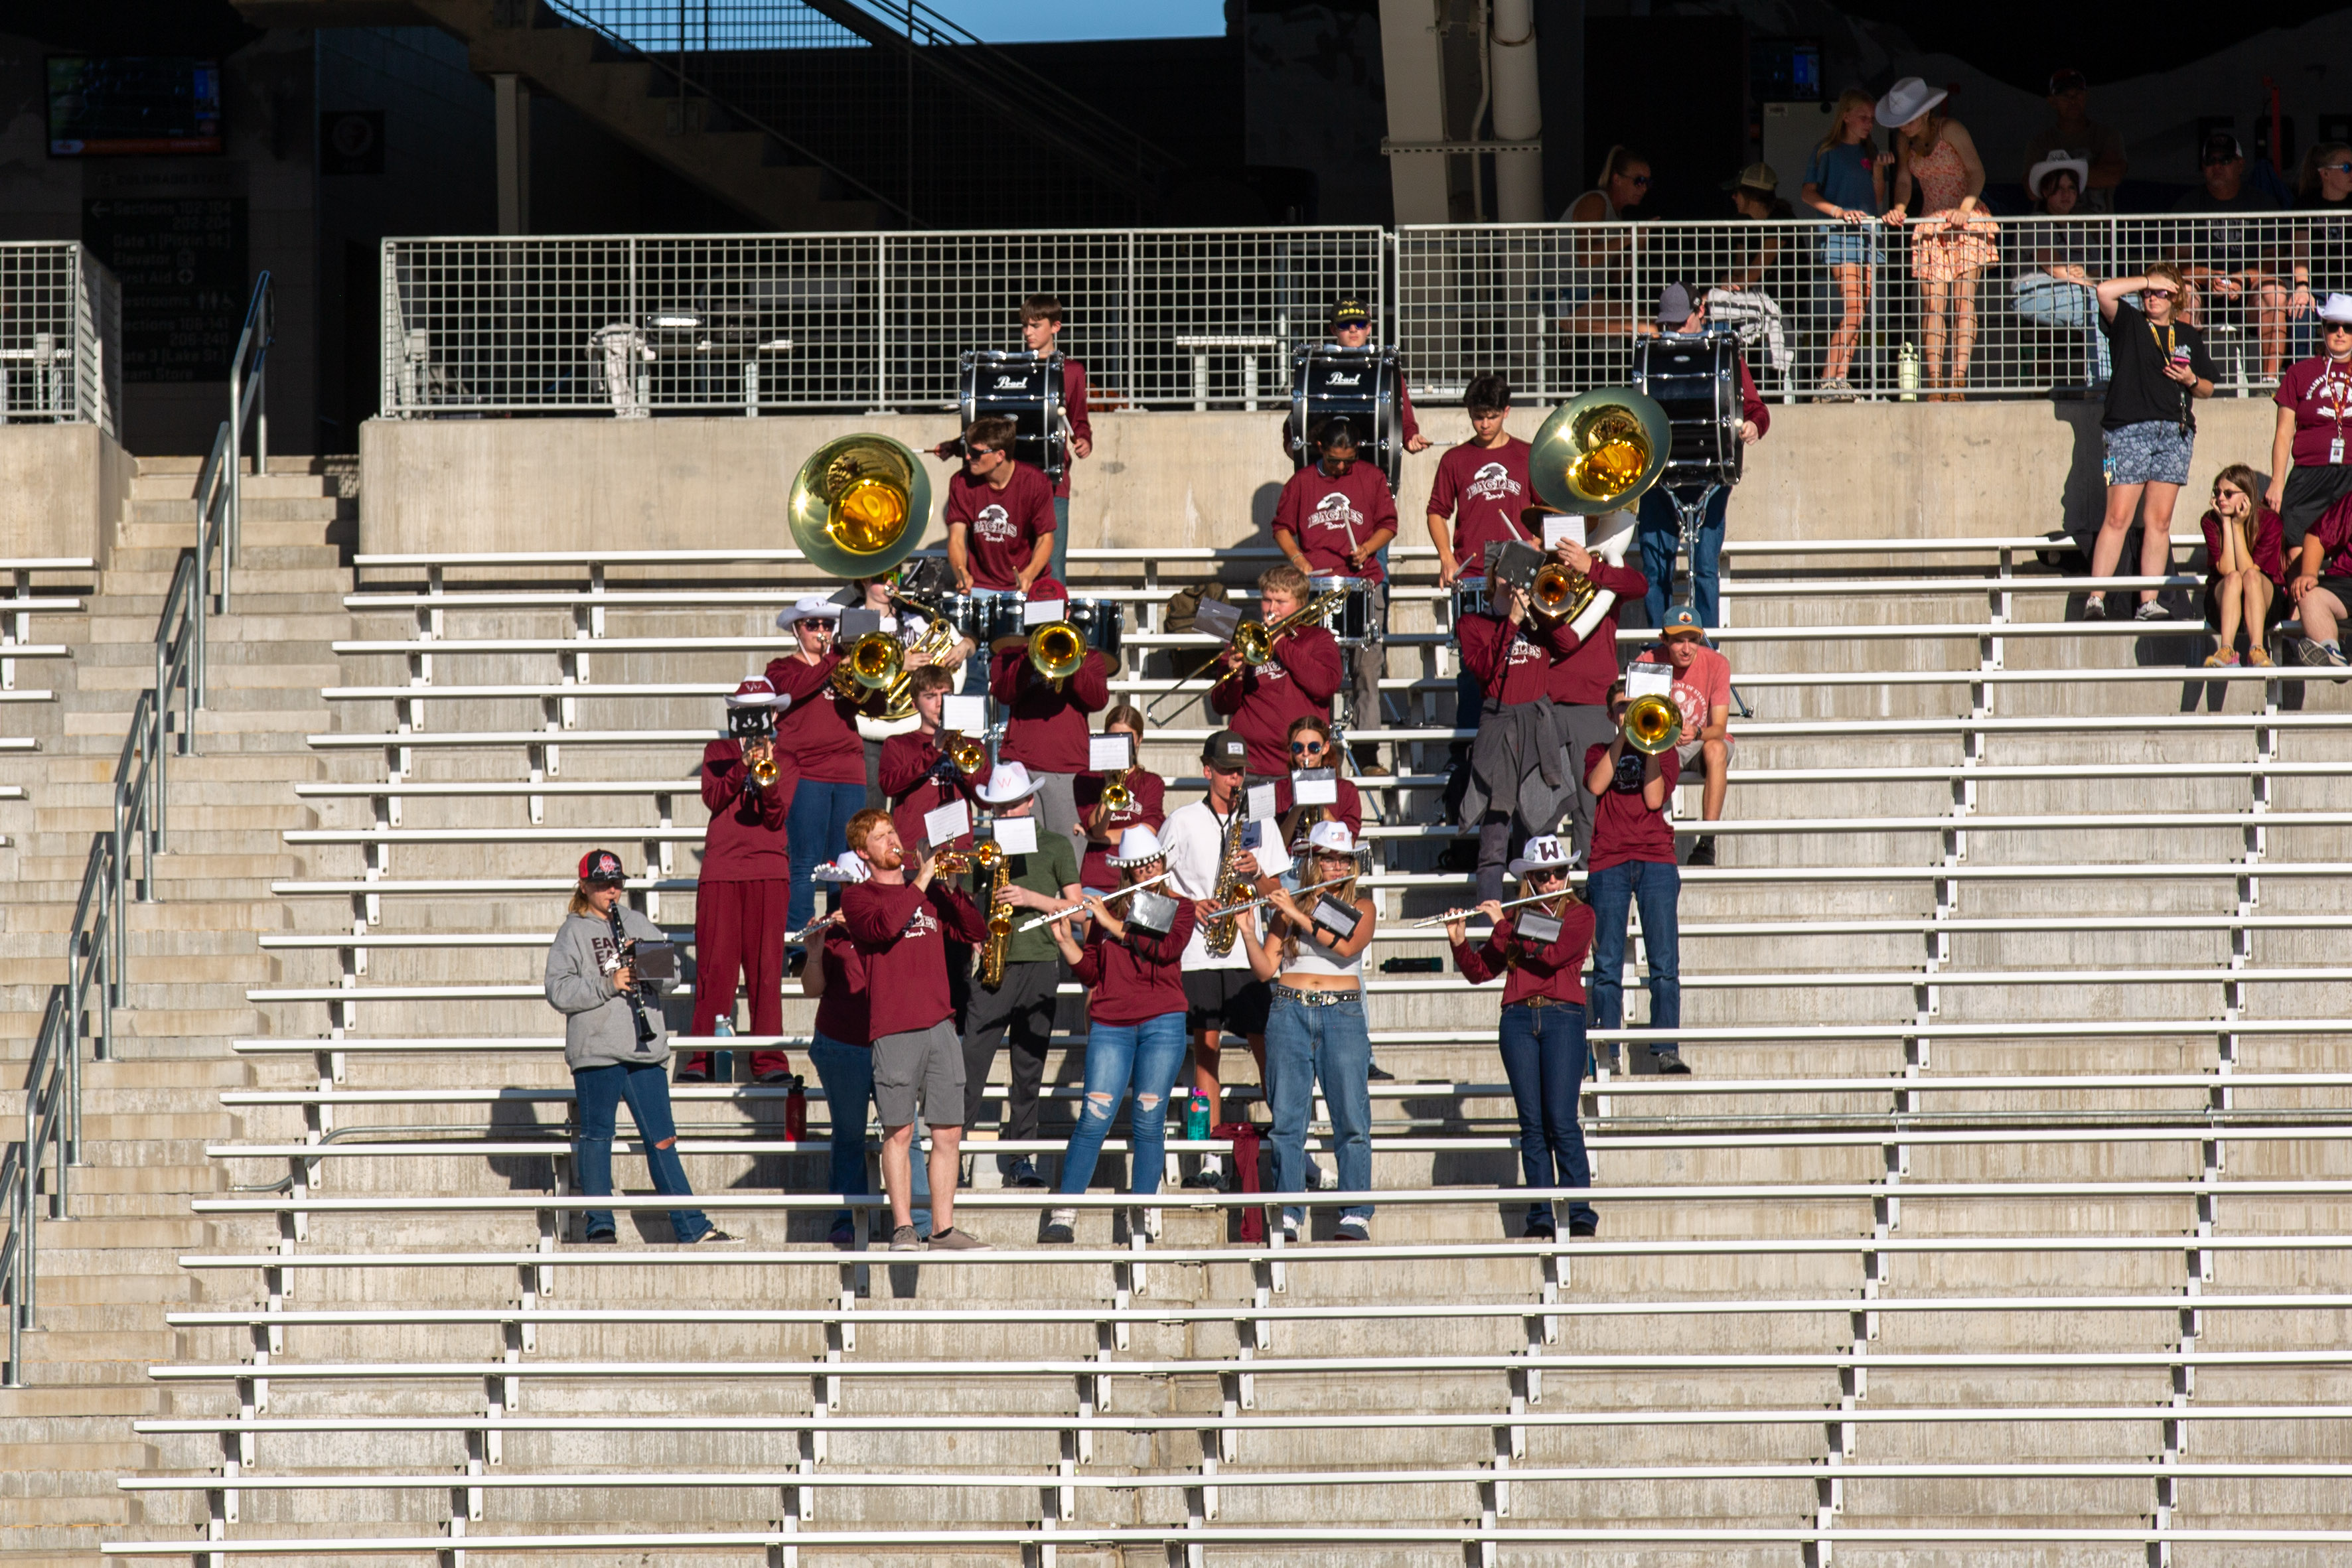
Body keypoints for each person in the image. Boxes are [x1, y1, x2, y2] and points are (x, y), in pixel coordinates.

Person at [546, 849, 729, 1245]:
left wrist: (645, 960)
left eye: (616, 883)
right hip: (597, 1050)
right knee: (598, 1137)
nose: (611, 891)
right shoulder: (572, 931)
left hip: (644, 1049)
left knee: (662, 1138)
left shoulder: (636, 923)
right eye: (601, 884)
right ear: (585, 886)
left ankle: (691, 1226)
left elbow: (674, 976)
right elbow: (558, 990)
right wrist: (609, 983)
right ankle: (600, 1227)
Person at [840, 807, 992, 1251]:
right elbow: (885, 927)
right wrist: (923, 880)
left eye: (893, 832)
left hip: (941, 1023)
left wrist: (951, 888)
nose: (893, 842)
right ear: (862, 851)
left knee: (947, 1131)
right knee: (900, 1131)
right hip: (894, 1027)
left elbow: (975, 928)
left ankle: (943, 1227)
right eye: (882, 837)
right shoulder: (858, 897)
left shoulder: (926, 891)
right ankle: (904, 1225)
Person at [1037, 825, 1197, 1244]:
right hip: (1111, 1023)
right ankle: (1065, 1212)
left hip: (1163, 1021)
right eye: (1140, 866)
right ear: (1126, 871)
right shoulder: (1107, 908)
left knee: (1148, 1119)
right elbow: (1093, 971)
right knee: (1093, 1117)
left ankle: (1141, 1214)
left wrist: (1113, 922)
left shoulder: (1179, 907)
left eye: (1154, 862)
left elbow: (1165, 950)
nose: (1149, 870)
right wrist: (1067, 946)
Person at [1439, 833, 1599, 1240]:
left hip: (1563, 1017)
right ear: (1528, 879)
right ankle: (1541, 1213)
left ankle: (1579, 1210)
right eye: (1543, 875)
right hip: (1517, 1021)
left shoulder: (1581, 916)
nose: (1552, 882)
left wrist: (1503, 926)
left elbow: (1551, 956)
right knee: (1531, 1123)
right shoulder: (1514, 921)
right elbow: (1480, 971)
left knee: (1561, 1120)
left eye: (1559, 873)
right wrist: (1459, 942)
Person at [1241, 819, 1379, 1243]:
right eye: (1328, 858)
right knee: (1287, 1122)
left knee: (1352, 1120)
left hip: (1343, 1014)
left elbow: (1348, 946)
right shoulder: (1293, 902)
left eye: (1343, 858)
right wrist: (1248, 931)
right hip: (1289, 1011)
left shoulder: (1365, 904)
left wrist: (1293, 911)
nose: (1336, 866)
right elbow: (1267, 968)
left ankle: (1355, 1210)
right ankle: (1289, 1210)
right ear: (1313, 861)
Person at [959, 761, 1082, 1189]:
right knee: (971, 1065)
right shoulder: (985, 849)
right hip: (993, 969)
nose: (1008, 814)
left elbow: (1079, 908)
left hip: (1039, 966)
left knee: (1028, 1072)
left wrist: (1032, 897)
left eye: (1014, 805)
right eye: (1000, 808)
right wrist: (973, 934)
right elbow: (962, 903)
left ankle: (1021, 1159)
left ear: (1030, 801)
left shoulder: (1055, 846)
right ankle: (950, 1153)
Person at [1162, 729, 1269, 1190]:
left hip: (1248, 951)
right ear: (1207, 770)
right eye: (1226, 770)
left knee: (1269, 1051)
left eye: (1240, 771)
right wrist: (1190, 905)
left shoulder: (1257, 818)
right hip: (1200, 953)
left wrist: (1258, 870)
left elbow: (1277, 887)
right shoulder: (1183, 820)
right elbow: (1152, 879)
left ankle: (1285, 1143)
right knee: (1206, 1054)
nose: (1235, 779)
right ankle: (1206, 1154)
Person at [678, 677, 796, 1085]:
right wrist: (742, 764)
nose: (753, 721)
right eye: (745, 713)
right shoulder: (719, 752)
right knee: (715, 967)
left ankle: (769, 1059)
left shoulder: (789, 757)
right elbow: (712, 799)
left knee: (766, 969)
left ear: (775, 714)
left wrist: (767, 774)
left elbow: (775, 816)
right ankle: (702, 1058)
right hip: (722, 871)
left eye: (761, 713)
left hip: (768, 871)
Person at [2085, 266, 2217, 622]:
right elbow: (2104, 291)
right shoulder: (2129, 321)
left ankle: (2149, 601)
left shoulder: (2187, 333)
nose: (2152, 298)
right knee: (2118, 517)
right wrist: (2146, 281)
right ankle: (2096, 597)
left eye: (2161, 293)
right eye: (2148, 292)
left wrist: (2191, 379)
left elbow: (2208, 388)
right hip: (2129, 429)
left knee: (2158, 522)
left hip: (2174, 431)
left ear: (2176, 296)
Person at [1635, 283, 1767, 632]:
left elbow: (1756, 409)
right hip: (1660, 476)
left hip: (1710, 477)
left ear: (1701, 313)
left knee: (1706, 565)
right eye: (1667, 324)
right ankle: (1656, 645)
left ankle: (1707, 647)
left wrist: (1754, 425)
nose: (1673, 331)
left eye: (1681, 322)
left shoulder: (1725, 353)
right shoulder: (1653, 353)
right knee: (1655, 562)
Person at [1272, 419, 1399, 774]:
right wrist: (1299, 559)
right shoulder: (1302, 482)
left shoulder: (1371, 477)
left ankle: (1369, 753)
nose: (1341, 467)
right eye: (1333, 460)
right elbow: (1281, 527)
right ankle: (1318, 755)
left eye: (1348, 459)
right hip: (1318, 589)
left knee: (1366, 670)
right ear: (1318, 448)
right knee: (1316, 674)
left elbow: (1389, 524)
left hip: (1363, 585)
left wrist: (1368, 549)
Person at [1426, 374, 1538, 745]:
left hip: (1519, 572)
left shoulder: (1528, 455)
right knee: (1473, 666)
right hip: (1473, 575)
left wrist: (1537, 541)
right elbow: (1436, 511)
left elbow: (1547, 511)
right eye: (1477, 417)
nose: (1484, 424)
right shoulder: (1455, 459)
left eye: (1491, 416)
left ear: (1507, 412)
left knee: (1522, 657)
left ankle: (1520, 739)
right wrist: (1445, 555)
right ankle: (1471, 746)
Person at [1584, 681, 1688, 1076]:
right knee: (1607, 963)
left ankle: (1666, 1050)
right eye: (1620, 707)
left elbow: (1653, 799)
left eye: (1633, 705)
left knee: (1664, 963)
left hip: (1656, 859)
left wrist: (1647, 742)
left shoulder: (1665, 749)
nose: (1627, 712)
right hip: (1608, 860)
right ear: (1610, 714)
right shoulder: (1598, 751)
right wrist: (1621, 738)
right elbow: (1596, 784)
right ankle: (1608, 1050)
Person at [1457, 571, 1576, 905]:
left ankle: (1542, 919)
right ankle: (1491, 927)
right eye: (1512, 577)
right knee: (1494, 841)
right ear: (1496, 582)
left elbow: (1570, 644)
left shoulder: (1537, 622)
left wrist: (1540, 611)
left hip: (1539, 731)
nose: (1520, 584)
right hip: (1500, 727)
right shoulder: (1472, 623)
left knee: (1541, 837)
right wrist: (1510, 622)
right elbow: (1482, 669)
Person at [1879, 76, 1998, 402]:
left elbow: (1977, 172)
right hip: (1931, 224)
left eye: (1910, 119)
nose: (1904, 127)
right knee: (1932, 306)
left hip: (1966, 220)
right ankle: (1934, 383)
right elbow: (1903, 181)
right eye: (1900, 121)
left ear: (1927, 112)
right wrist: (1900, 209)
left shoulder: (1952, 130)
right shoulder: (1904, 142)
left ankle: (1957, 383)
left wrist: (1965, 210)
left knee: (1963, 304)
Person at [765, 596, 865, 969]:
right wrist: (833, 661)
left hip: (850, 770)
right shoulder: (780, 668)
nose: (822, 632)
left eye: (828, 625)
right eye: (813, 625)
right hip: (805, 771)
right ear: (796, 629)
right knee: (805, 863)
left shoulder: (842, 664)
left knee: (846, 865)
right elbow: (794, 692)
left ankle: (839, 943)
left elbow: (874, 705)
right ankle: (798, 949)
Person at [1546, 520, 1648, 863]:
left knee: (1589, 807)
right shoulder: (1541, 572)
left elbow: (1639, 586)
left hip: (1591, 702)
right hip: (1542, 700)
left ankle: (1592, 895)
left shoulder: (1601, 571)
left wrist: (1591, 567)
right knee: (1536, 807)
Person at [990, 584, 1112, 845]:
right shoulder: (1010, 657)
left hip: (1067, 768)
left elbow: (1098, 699)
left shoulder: (1089, 657)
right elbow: (1003, 693)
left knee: (1066, 854)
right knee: (1018, 856)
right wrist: (1029, 654)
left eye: (1053, 610)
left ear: (1067, 611)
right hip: (1020, 766)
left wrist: (1071, 660)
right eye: (1039, 610)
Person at [1207, 562, 1345, 780]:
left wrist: (1280, 641)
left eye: (1281, 602)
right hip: (1253, 767)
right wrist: (1236, 677)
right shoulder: (1245, 639)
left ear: (1301, 604)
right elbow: (1222, 705)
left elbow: (1325, 686)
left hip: (1304, 765)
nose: (1271, 609)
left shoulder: (1319, 638)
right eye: (1267, 600)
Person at [800, 849, 874, 1249]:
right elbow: (812, 989)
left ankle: (915, 1217)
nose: (844, 893)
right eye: (841, 886)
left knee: (907, 1133)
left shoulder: (887, 920)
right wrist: (814, 952)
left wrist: (865, 928)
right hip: (841, 1042)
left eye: (852, 885)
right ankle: (845, 1217)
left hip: (888, 1040)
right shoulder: (832, 929)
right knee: (848, 1133)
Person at [849, 573, 973, 810]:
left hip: (913, 725)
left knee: (911, 802)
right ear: (864, 580)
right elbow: (846, 669)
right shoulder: (854, 619)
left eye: (894, 575)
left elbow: (953, 638)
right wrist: (898, 665)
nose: (890, 583)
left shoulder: (916, 617)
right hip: (869, 725)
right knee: (871, 803)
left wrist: (966, 646)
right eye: (881, 578)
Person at [2173, 132, 2287, 386]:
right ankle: (2182, 384)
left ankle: (2268, 385)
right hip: (2204, 292)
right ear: (2203, 167)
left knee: (2275, 293)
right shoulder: (2188, 205)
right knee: (2183, 293)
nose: (2218, 166)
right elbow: (2179, 264)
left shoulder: (2262, 203)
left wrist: (2243, 279)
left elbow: (2275, 259)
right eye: (2211, 161)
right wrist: (2210, 277)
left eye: (2225, 160)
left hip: (2249, 294)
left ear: (2240, 165)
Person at [1801, 90, 1885, 400]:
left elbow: (1877, 198)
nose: (1868, 124)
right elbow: (1807, 193)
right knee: (1852, 308)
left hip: (1867, 237)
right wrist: (1837, 211)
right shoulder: (1827, 152)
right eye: (1863, 118)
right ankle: (1827, 380)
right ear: (1846, 117)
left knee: (1859, 311)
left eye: (1872, 120)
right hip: (1840, 236)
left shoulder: (1871, 151)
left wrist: (1879, 169)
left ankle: (1840, 380)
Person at [1632, 607, 1732, 864]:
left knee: (1717, 748)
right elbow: (1636, 721)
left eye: (1694, 640)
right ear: (1664, 639)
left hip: (1702, 741)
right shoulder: (1648, 661)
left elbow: (1719, 728)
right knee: (1651, 752)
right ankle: (1655, 838)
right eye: (1678, 640)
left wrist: (1697, 731)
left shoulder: (1717, 663)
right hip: (1663, 745)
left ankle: (1707, 841)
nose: (1687, 648)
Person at [2264, 294, 2352, 587]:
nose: (2340, 333)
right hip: (2308, 475)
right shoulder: (2299, 373)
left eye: (2348, 327)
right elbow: (2283, 432)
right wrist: (2277, 480)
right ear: (2323, 328)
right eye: (2333, 326)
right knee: (2298, 556)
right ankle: (2295, 629)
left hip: (2350, 475)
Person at [1280, 297, 1428, 461]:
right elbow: (1297, 417)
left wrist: (1411, 438)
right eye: (1345, 325)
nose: (1353, 329)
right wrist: (1292, 446)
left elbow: (1403, 416)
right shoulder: (1319, 367)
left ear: (1369, 328)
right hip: (1326, 465)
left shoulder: (1384, 368)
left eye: (1360, 324)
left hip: (1371, 466)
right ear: (1333, 329)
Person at [2013, 157, 2112, 390]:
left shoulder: (2080, 231)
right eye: (2058, 189)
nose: (2066, 194)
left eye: (2070, 188)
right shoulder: (2037, 222)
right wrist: (2079, 277)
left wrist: (2082, 278)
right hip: (2034, 293)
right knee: (2100, 306)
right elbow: (2055, 268)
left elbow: (2096, 274)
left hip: (2078, 294)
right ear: (2046, 192)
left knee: (2130, 303)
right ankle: (2101, 386)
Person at [879, 664, 991, 857]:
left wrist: (965, 768)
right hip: (912, 851)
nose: (940, 704)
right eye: (930, 697)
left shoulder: (973, 746)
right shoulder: (898, 743)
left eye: (946, 695)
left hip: (957, 852)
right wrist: (932, 752)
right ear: (914, 704)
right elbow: (889, 787)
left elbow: (985, 802)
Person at [1019, 293, 1092, 586]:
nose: (1028, 332)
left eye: (1035, 325)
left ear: (1055, 327)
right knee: (1018, 561)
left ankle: (1054, 628)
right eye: (1025, 326)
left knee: (1054, 565)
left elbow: (1079, 419)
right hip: (1018, 480)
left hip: (1055, 482)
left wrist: (1084, 439)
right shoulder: (1017, 370)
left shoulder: (1072, 371)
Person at [1554, 145, 1652, 337]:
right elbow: (1585, 258)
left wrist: (1639, 246)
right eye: (1639, 181)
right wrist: (1629, 236)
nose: (1644, 188)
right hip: (1564, 299)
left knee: (1651, 325)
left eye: (1648, 182)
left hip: (1579, 299)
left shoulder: (1616, 217)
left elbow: (1615, 277)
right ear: (1617, 179)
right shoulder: (1596, 202)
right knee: (1651, 327)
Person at [1710, 163, 1795, 379]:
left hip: (1784, 306)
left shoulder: (1780, 220)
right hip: (1754, 304)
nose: (1733, 198)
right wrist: (1731, 279)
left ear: (1751, 196)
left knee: (1712, 302)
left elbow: (1750, 277)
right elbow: (1739, 274)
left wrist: (1732, 280)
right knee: (1716, 304)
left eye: (1736, 193)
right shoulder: (1746, 224)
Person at [2199, 463, 2286, 668]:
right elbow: (2228, 570)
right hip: (2223, 603)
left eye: (2228, 494)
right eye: (2217, 492)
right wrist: (2227, 525)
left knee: (2250, 577)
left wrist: (2239, 526)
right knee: (2234, 578)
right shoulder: (2210, 521)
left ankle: (2257, 649)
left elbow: (2251, 570)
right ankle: (2226, 650)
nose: (2220, 498)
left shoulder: (2271, 521)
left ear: (2247, 495)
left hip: (2264, 604)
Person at [1076, 704, 1167, 893]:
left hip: (1139, 880)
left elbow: (1147, 832)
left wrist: (1095, 839)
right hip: (1098, 880)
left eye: (1127, 739)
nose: (1120, 745)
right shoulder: (1086, 779)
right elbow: (1098, 830)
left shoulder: (1152, 782)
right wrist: (1110, 783)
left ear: (1139, 740)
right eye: (1114, 737)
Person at [2020, 68, 2127, 213]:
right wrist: (2090, 173)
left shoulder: (2107, 136)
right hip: (2053, 232)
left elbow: (2114, 176)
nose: (2072, 100)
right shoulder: (2040, 143)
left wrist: (2054, 176)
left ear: (2086, 96)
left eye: (2078, 95)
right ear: (2052, 101)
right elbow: (2032, 190)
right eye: (2065, 96)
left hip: (2098, 232)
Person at [1272, 715, 1364, 845]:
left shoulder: (1346, 790)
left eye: (1314, 747)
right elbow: (1277, 847)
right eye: (1298, 747)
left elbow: (1349, 843)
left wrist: (1323, 811)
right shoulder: (1280, 789)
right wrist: (1297, 809)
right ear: (1290, 749)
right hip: (1291, 860)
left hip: (1329, 862)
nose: (1305, 754)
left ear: (1325, 747)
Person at [2287, 486, 2352, 668]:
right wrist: (2308, 573)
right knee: (2307, 592)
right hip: (2346, 582)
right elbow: (2318, 536)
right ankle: (2332, 653)